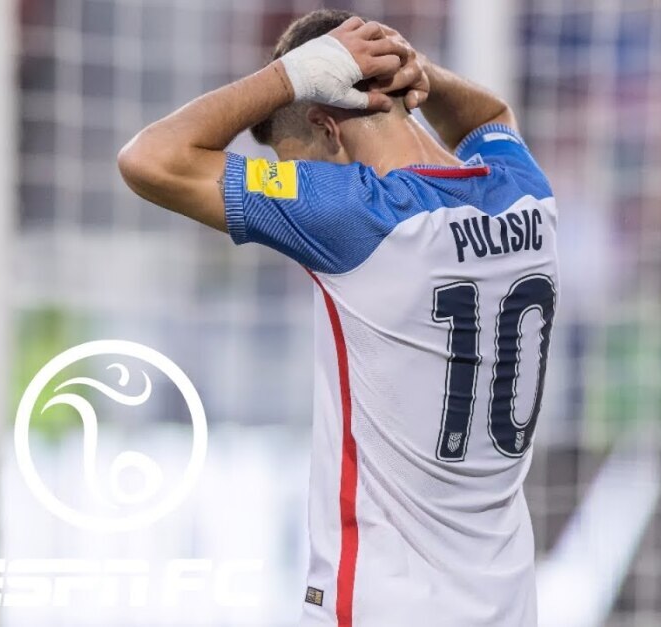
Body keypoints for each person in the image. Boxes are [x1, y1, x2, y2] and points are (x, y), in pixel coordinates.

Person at [118, 10, 557, 627]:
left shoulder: (361, 214)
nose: (299, 178)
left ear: (327, 128)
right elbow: (489, 118)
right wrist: (418, 70)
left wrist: (288, 77)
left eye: (297, 161)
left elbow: (150, 160)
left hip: (384, 604)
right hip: (508, 602)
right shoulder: (526, 194)